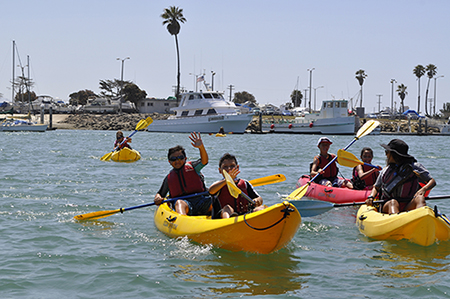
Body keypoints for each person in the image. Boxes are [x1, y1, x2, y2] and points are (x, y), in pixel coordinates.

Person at [365, 139, 436, 214]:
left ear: (394, 154)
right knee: (393, 202)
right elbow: (376, 187)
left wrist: (423, 190)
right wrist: (371, 197)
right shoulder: (386, 170)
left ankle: (422, 216)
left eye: (387, 152)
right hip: (388, 205)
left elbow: (432, 181)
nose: (386, 154)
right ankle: (396, 220)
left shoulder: (414, 167)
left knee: (419, 198)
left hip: (408, 204)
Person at [153, 132, 211, 216]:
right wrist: (157, 197)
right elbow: (161, 193)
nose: (177, 161)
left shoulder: (193, 167)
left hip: (201, 199)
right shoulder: (169, 178)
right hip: (185, 203)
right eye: (174, 159)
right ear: (169, 162)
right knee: (180, 203)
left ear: (185, 159)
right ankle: (183, 221)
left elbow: (204, 161)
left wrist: (201, 147)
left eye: (180, 158)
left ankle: (224, 218)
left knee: (213, 200)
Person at [209, 153, 264, 218]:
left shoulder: (245, 183)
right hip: (224, 216)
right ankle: (228, 222)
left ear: (237, 168)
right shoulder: (218, 184)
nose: (229, 169)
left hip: (245, 215)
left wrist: (257, 200)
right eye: (225, 167)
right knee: (228, 208)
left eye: (232, 166)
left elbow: (259, 198)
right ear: (220, 170)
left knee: (260, 208)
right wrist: (227, 180)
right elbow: (211, 191)